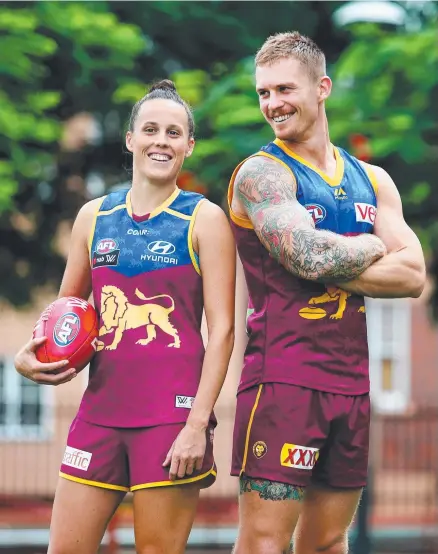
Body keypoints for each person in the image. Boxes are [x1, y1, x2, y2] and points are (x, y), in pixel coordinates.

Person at [14, 80, 236, 554]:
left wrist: (197, 424)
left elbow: (223, 332)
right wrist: (29, 360)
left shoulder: (205, 219)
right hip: (100, 414)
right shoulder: (93, 217)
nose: (162, 141)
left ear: (189, 146)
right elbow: (65, 315)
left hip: (170, 420)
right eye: (151, 129)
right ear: (131, 138)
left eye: (174, 133)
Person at [228, 32, 426, 554]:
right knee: (265, 543)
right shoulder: (262, 174)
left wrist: (331, 257)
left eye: (284, 89)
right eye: (263, 93)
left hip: (351, 385)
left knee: (328, 542)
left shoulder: (373, 179)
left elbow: (413, 277)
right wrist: (370, 245)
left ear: (322, 88)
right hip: (283, 382)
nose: (272, 104)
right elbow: (306, 255)